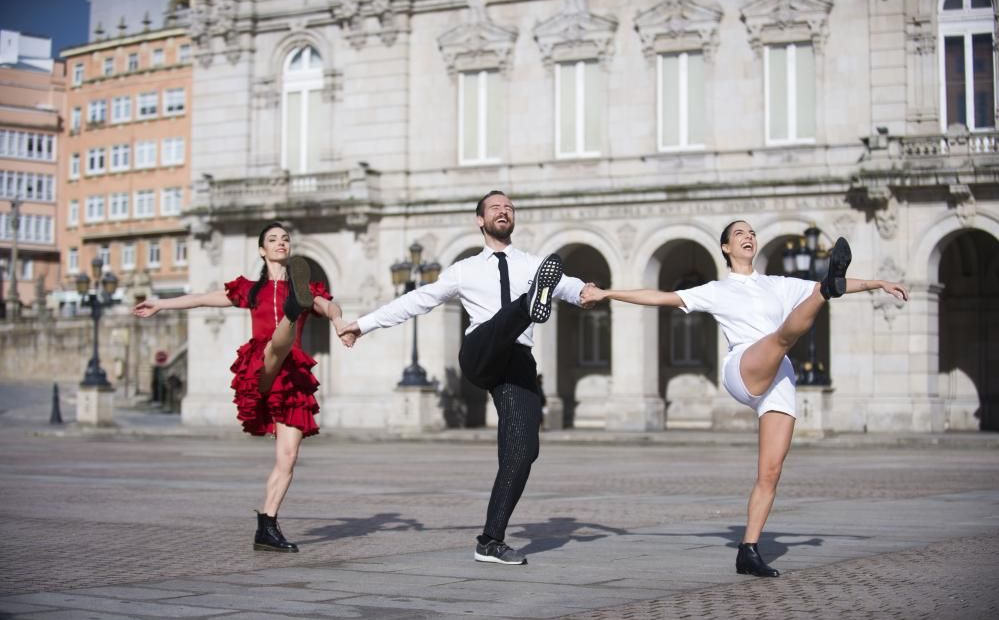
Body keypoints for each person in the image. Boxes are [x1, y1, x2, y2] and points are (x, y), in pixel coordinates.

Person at [581, 220, 908, 577]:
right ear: (725, 248)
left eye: (752, 232)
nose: (748, 237)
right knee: (784, 336)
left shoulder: (776, 285)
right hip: (743, 368)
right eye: (739, 234)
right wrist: (607, 293)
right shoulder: (717, 290)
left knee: (770, 471)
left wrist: (877, 283)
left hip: (779, 377)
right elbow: (658, 297)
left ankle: (748, 550)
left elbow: (839, 285)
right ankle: (825, 293)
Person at [338, 190, 592, 565]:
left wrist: (593, 292)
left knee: (523, 452)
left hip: (518, 363)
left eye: (509, 207)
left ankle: (490, 541)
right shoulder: (465, 270)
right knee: (508, 317)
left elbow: (575, 289)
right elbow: (415, 300)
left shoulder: (536, 264)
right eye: (495, 208)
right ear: (480, 220)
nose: (503, 211)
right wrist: (362, 325)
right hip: (481, 353)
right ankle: (528, 304)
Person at [134, 222, 347, 553]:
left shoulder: (308, 289)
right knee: (276, 346)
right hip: (262, 366)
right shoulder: (249, 290)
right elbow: (202, 298)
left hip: (292, 378)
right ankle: (289, 319)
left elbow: (329, 306)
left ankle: (267, 525)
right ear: (262, 250)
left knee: (288, 458)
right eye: (273, 240)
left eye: (285, 239)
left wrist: (338, 321)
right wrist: (161, 304)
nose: (280, 243)